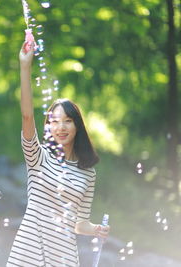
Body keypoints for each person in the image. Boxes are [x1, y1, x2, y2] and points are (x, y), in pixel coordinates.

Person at [6, 41, 110, 267]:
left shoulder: (88, 174)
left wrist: (96, 229)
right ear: (48, 127)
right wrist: (25, 66)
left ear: (77, 126)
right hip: (27, 253)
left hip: (63, 258)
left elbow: (79, 224)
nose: (61, 127)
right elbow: (26, 116)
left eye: (67, 121)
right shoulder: (37, 157)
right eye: (54, 122)